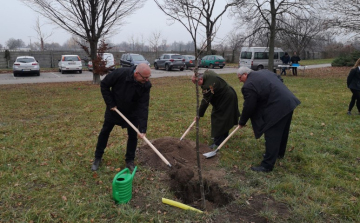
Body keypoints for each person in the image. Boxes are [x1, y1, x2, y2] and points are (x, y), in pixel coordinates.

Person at [236, 67, 301, 172]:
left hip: (278, 107)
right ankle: (279, 153)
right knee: (283, 131)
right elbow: (279, 79)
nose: (240, 81)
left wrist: (242, 121)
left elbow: (249, 106)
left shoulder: (248, 86)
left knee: (272, 134)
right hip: (288, 102)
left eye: (240, 78)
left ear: (245, 74)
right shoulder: (264, 71)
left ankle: (267, 165)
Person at [91, 63, 152, 171]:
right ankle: (97, 157)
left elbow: (143, 106)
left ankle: (130, 160)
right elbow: (104, 84)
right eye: (145, 77)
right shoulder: (120, 73)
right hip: (114, 109)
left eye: (148, 77)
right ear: (137, 74)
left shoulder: (145, 85)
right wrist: (110, 104)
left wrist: (142, 128)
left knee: (133, 136)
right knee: (105, 132)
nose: (147, 80)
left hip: (132, 113)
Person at [192, 70, 240, 149]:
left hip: (226, 98)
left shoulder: (208, 86)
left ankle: (218, 142)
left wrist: (199, 114)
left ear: (200, 79)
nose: (196, 85)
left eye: (196, 83)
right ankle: (222, 137)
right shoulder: (207, 73)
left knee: (219, 118)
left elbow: (205, 102)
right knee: (223, 117)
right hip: (227, 94)